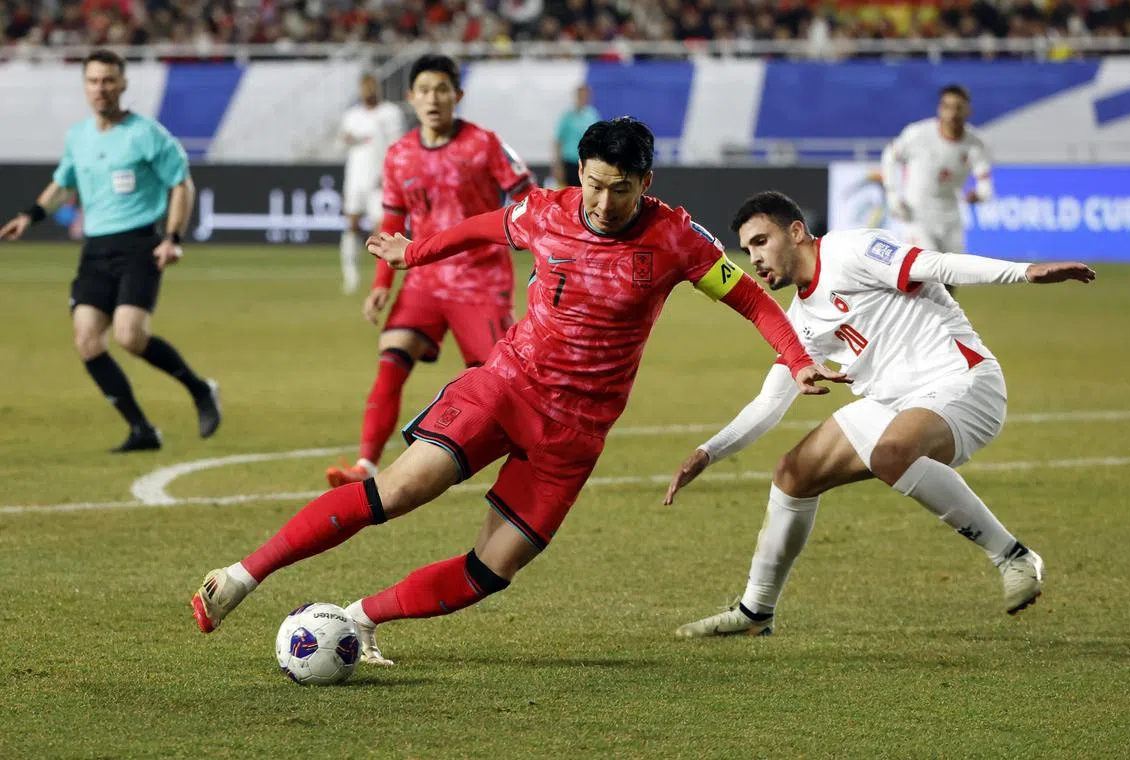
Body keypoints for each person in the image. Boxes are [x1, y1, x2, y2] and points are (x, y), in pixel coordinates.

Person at [190, 119, 846, 664]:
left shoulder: (676, 238)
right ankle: (241, 577)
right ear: (578, 173)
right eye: (592, 184)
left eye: (619, 190)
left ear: (646, 184)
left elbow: (755, 302)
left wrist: (795, 360)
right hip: (506, 385)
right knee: (399, 491)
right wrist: (412, 255)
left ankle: (357, 620)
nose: (601, 202)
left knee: (490, 571)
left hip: (576, 432)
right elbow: (481, 228)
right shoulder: (546, 211)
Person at [663, 191, 1095, 638]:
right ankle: (755, 613)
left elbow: (937, 265)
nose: (753, 257)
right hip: (893, 404)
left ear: (795, 232)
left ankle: (1013, 556)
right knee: (793, 474)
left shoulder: (851, 250)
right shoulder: (800, 320)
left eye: (761, 241)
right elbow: (770, 402)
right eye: (747, 248)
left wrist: (1024, 273)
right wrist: (707, 453)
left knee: (891, 453)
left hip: (962, 382)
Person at [324, 54, 535, 488]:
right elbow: (392, 222)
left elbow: (529, 198)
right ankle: (365, 466)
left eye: (442, 90)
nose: (433, 99)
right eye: (423, 91)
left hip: (481, 281)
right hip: (424, 280)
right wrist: (383, 282)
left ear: (457, 96)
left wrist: (543, 249)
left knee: (501, 384)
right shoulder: (399, 155)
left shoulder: (484, 144)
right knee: (392, 356)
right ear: (410, 98)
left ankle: (533, 460)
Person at [0, 49, 220, 453]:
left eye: (108, 81)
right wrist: (29, 216)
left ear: (123, 84)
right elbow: (64, 183)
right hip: (96, 248)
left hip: (140, 243)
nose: (100, 89)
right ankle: (142, 430)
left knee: (129, 336)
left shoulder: (146, 133)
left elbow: (181, 183)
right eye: (93, 81)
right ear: (84, 86)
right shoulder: (78, 136)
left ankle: (201, 389)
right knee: (86, 341)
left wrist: (172, 237)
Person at [880, 84, 994, 297]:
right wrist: (893, 194)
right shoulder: (918, 134)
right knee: (927, 272)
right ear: (939, 109)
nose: (952, 113)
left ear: (968, 111)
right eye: (947, 107)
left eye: (958, 107)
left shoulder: (975, 143)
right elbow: (890, 156)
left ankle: (942, 324)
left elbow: (985, 181)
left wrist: (979, 194)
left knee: (952, 274)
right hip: (917, 214)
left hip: (950, 213)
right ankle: (918, 323)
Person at [338, 72, 405, 294]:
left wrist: (390, 174)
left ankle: (382, 280)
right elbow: (343, 145)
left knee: (382, 228)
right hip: (355, 179)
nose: (367, 92)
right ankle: (351, 276)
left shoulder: (390, 113)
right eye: (364, 87)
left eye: (371, 87)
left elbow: (397, 146)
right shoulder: (351, 116)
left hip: (380, 181)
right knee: (352, 224)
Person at [552, 84, 600, 188]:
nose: (583, 98)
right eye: (581, 95)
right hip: (569, 163)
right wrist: (557, 166)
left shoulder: (592, 115)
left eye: (586, 95)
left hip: (586, 162)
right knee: (569, 195)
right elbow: (558, 141)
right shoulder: (567, 116)